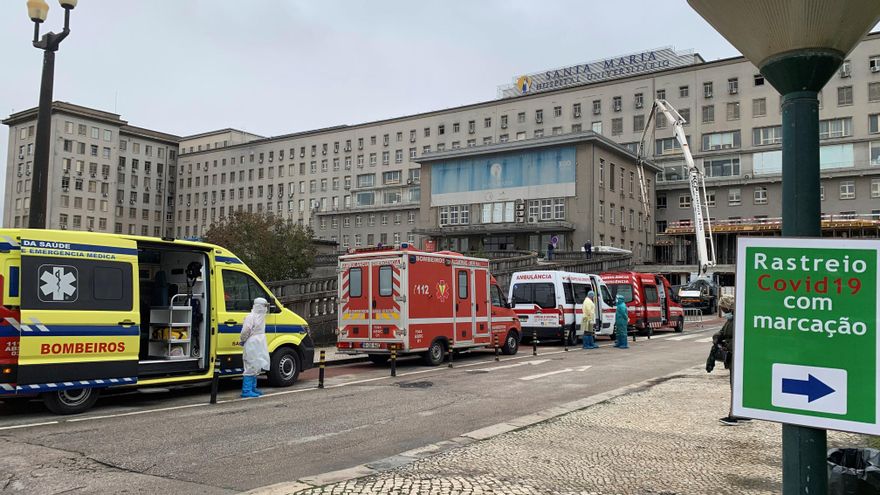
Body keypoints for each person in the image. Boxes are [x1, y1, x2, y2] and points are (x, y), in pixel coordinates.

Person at [712, 295, 750, 425]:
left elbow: (740, 338)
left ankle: (733, 415)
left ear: (728, 307)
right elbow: (722, 332)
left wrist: (726, 345)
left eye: (723, 308)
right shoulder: (731, 320)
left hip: (737, 357)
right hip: (732, 357)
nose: (722, 310)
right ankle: (742, 413)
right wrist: (717, 337)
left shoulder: (739, 320)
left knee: (736, 385)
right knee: (737, 385)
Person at [240, 297, 271, 398]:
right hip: (252, 342)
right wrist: (243, 340)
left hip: (259, 343)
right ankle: (246, 390)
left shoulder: (261, 317)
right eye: (263, 306)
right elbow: (245, 331)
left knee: (256, 364)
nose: (265, 308)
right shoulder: (250, 317)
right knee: (250, 364)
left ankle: (253, 388)